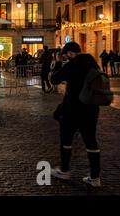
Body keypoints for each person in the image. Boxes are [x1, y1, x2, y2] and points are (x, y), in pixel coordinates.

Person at [50, 42, 102, 187]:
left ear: (71, 53)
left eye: (66, 55)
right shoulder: (93, 63)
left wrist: (59, 63)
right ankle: (95, 177)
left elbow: (54, 79)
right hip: (91, 108)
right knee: (91, 141)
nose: (66, 57)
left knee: (66, 140)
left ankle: (64, 170)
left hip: (72, 109)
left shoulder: (72, 65)